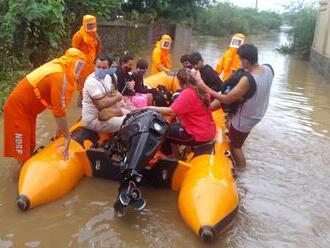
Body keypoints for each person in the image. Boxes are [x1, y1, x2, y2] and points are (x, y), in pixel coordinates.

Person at [3, 48, 86, 164]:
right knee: (22, 151)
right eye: (78, 66)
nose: (79, 72)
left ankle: (25, 166)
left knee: (30, 145)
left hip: (29, 112)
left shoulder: (60, 68)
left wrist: (60, 132)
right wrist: (67, 136)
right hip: (18, 110)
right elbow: (59, 112)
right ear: (71, 62)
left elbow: (60, 106)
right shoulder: (59, 75)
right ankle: (23, 174)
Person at [198, 44, 273, 168]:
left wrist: (205, 88)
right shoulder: (268, 69)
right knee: (238, 137)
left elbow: (227, 99)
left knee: (235, 145)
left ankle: (242, 172)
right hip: (260, 111)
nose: (239, 62)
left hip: (246, 117)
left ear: (245, 61)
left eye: (240, 59)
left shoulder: (247, 80)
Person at [149, 69, 216, 151]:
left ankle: (172, 159)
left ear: (180, 82)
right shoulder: (201, 89)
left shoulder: (188, 93)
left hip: (196, 134)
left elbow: (170, 111)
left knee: (161, 132)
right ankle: (181, 153)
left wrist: (151, 108)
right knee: (170, 126)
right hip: (207, 130)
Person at [82, 55, 130, 133]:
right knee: (128, 123)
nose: (100, 70)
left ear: (109, 68)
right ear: (94, 66)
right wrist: (118, 97)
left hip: (108, 113)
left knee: (133, 116)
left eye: (104, 68)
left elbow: (113, 93)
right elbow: (100, 104)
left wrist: (120, 100)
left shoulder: (108, 77)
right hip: (94, 119)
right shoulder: (91, 81)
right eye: (98, 67)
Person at [72, 15, 101, 105]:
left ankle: (84, 102)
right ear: (84, 24)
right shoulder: (78, 36)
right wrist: (75, 68)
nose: (91, 27)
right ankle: (83, 103)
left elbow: (98, 48)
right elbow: (74, 51)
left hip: (92, 64)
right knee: (82, 84)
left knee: (91, 82)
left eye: (93, 24)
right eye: (89, 25)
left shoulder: (95, 35)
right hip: (82, 65)